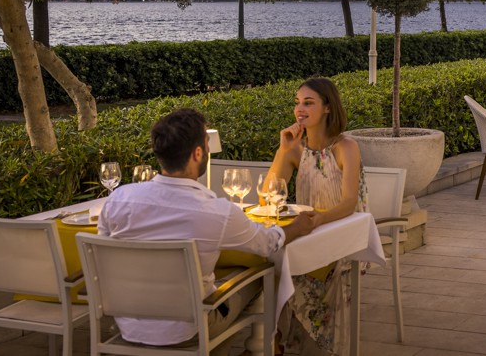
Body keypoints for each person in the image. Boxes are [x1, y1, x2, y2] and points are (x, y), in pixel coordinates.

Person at [97, 108, 315, 351]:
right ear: (198, 153)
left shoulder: (119, 198)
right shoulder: (216, 212)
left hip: (128, 324)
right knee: (259, 276)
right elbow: (267, 243)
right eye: (206, 144)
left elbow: (103, 248)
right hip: (188, 329)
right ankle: (256, 349)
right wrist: (295, 228)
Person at [263, 77, 368, 355]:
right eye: (297, 103)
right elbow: (267, 195)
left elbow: (348, 203)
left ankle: (313, 346)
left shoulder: (345, 147)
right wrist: (283, 151)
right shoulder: (295, 148)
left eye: (308, 103)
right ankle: (276, 343)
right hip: (306, 230)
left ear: (328, 108)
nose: (300, 108)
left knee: (288, 270)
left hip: (341, 233)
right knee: (271, 268)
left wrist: (319, 220)